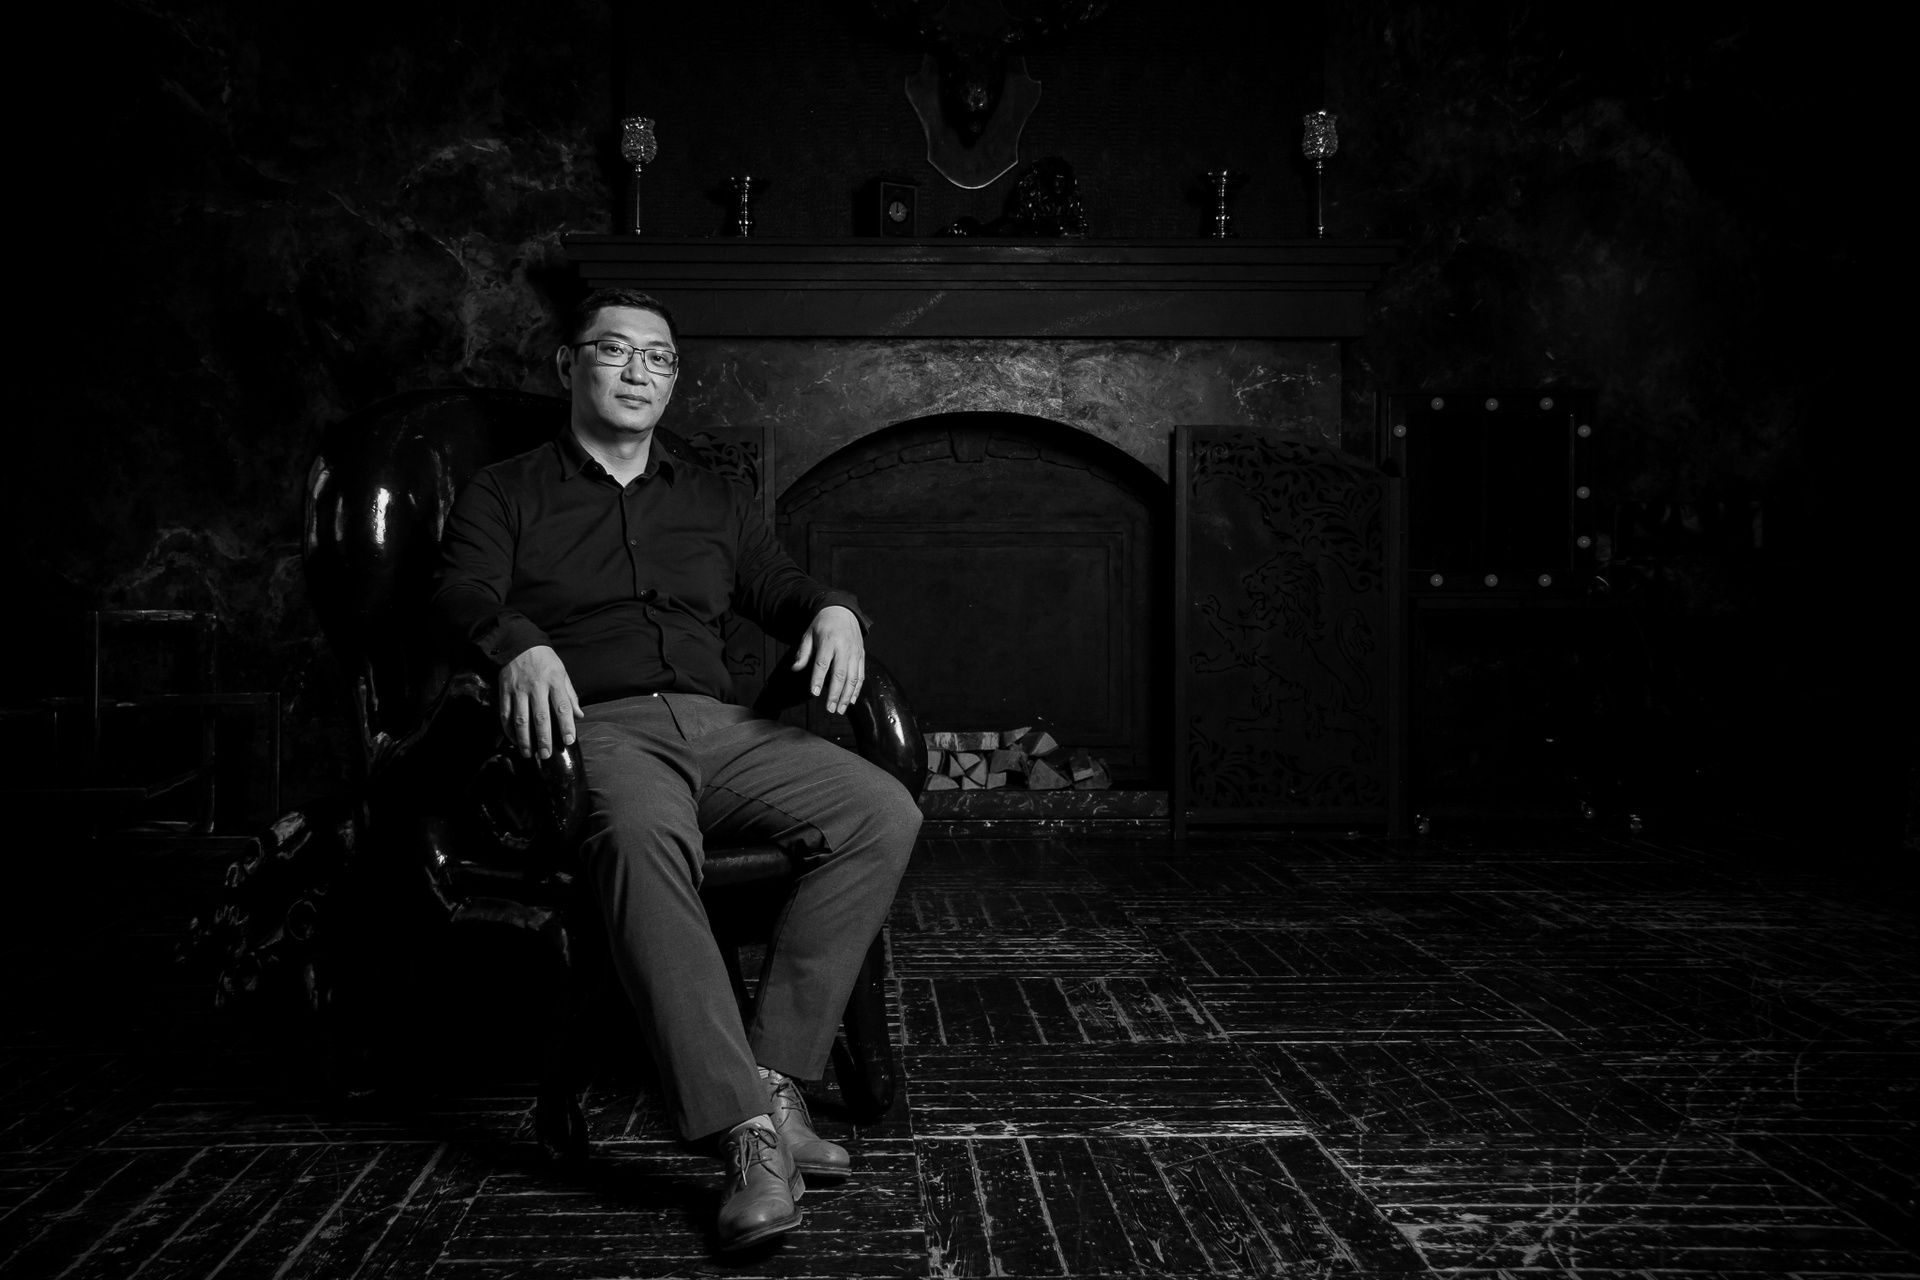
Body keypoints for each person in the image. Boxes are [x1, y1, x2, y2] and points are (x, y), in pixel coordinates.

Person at [432, 287, 920, 1250]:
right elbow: (459, 592)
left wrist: (834, 608)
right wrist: (518, 644)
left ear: (672, 380)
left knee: (880, 810)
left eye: (658, 358)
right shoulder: (506, 491)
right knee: (642, 835)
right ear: (569, 365)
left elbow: (779, 584)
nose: (638, 372)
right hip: (593, 730)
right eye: (615, 350)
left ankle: (776, 1081)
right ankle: (742, 1135)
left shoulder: (712, 497)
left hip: (720, 726)